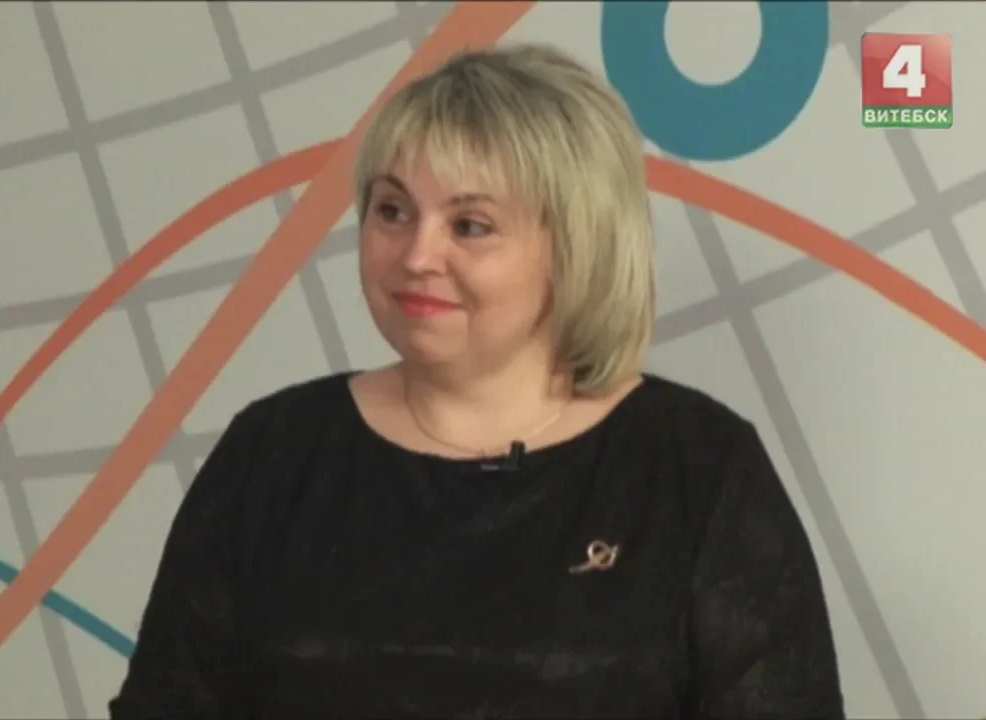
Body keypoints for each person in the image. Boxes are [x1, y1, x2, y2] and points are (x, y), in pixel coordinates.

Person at [109, 43, 845, 719]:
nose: (416, 255)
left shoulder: (696, 468)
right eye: (393, 211)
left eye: (470, 225)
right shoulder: (273, 453)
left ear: (576, 245)